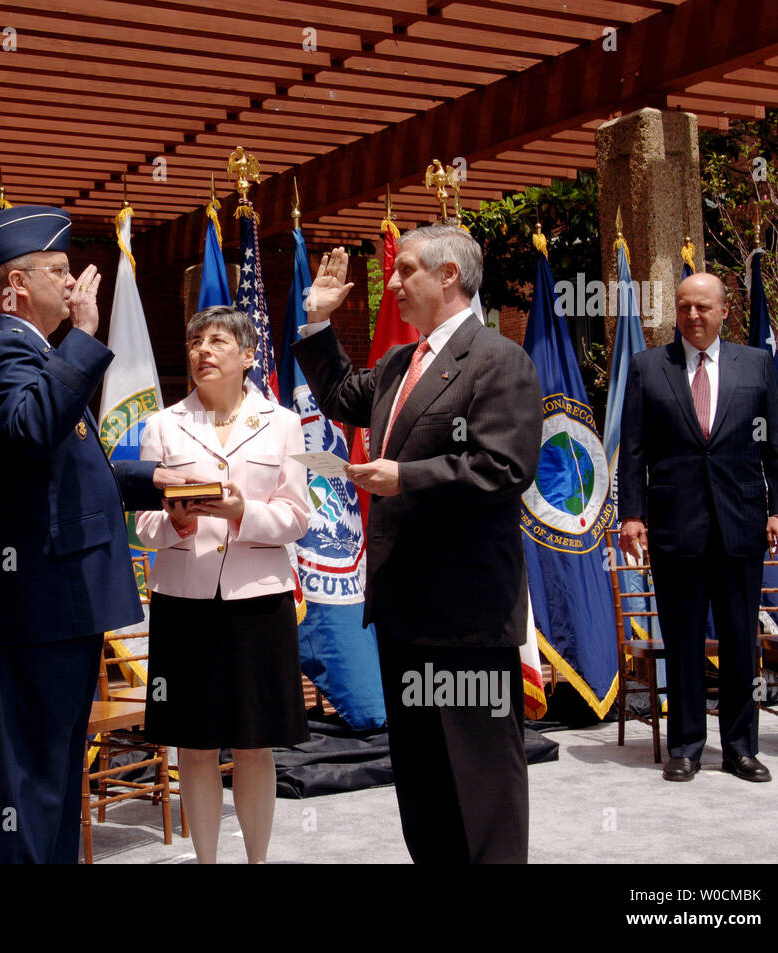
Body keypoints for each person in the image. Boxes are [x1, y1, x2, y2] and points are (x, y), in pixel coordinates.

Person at [292, 224, 540, 864]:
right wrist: (318, 323)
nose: (392, 284)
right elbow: (346, 396)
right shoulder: (402, 363)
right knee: (424, 780)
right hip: (404, 615)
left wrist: (407, 478)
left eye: (404, 271)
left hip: (467, 617)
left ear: (449, 275)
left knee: (482, 779)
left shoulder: (498, 359)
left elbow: (505, 467)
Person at [0, 204, 191, 864]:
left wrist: (159, 481)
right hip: (35, 607)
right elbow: (35, 429)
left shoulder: (39, 354)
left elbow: (76, 472)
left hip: (60, 605)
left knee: (58, 780)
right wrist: (86, 339)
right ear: (15, 287)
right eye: (58, 271)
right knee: (34, 785)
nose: (73, 284)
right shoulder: (7, 353)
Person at [133, 305, 310, 864]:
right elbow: (143, 522)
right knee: (195, 743)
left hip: (257, 603)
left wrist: (241, 511)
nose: (202, 351)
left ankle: (257, 860)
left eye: (217, 342)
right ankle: (206, 861)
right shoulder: (164, 424)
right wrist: (176, 522)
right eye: (194, 343)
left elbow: (298, 517)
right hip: (185, 604)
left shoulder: (281, 422)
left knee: (255, 744)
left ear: (248, 355)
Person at [619, 271, 778, 783]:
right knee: (683, 638)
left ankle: (741, 747)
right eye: (683, 307)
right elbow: (633, 449)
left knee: (742, 639)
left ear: (724, 311)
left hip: (741, 526)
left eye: (702, 307)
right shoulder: (650, 367)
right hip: (676, 527)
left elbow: (775, 448)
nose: (692, 316)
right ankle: (687, 746)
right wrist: (632, 514)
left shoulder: (757, 365)